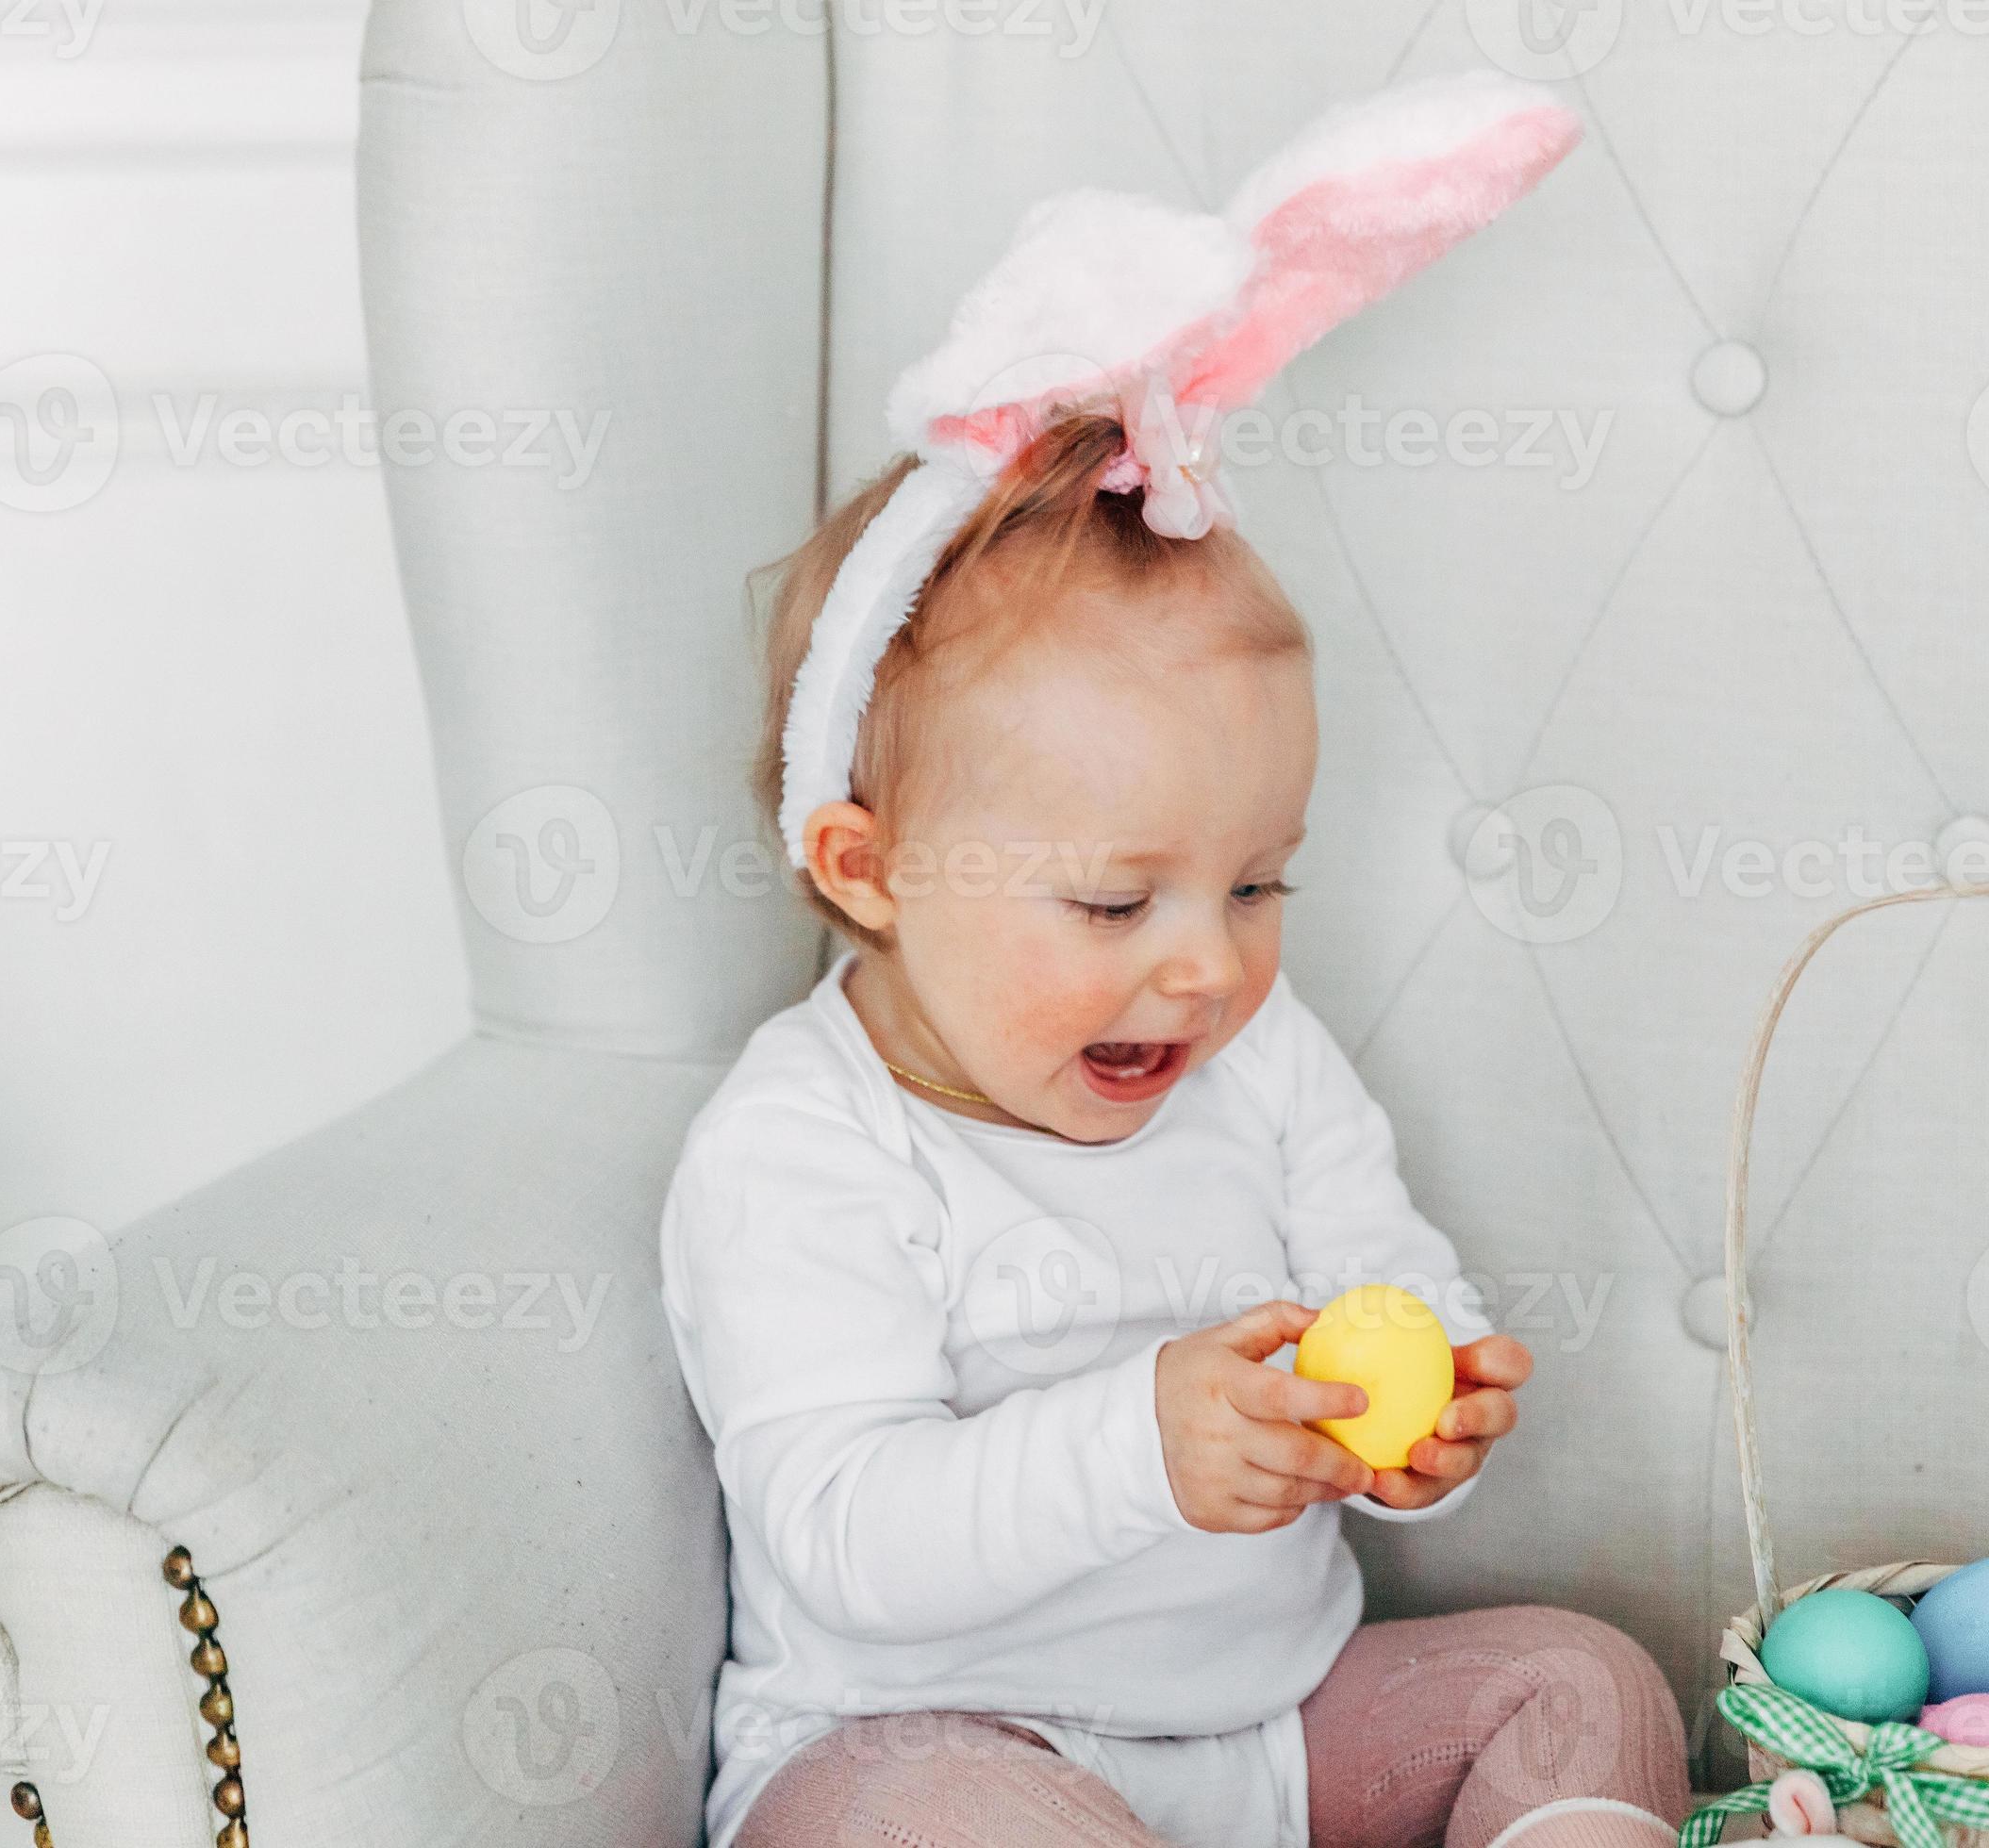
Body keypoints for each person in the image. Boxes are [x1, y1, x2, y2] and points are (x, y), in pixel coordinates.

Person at [657, 74, 1689, 1848]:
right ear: (868, 868)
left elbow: (1385, 1269)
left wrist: (1419, 1416)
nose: (1208, 972)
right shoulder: (802, 1146)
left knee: (1584, 1682)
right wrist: (1140, 1440)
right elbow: (849, 1536)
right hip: (920, 1741)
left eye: (1260, 884)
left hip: (1271, 1730)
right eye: (1117, 905)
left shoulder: (1262, 1063)